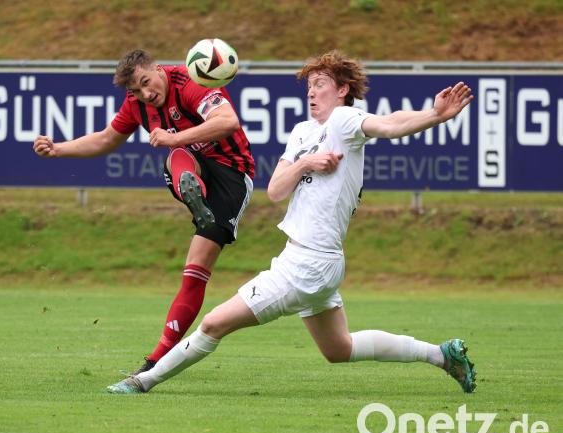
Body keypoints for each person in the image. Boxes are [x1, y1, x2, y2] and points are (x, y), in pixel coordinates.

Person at [107, 49, 477, 395]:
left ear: (343, 90)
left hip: (308, 264)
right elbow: (276, 190)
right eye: (308, 86)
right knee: (338, 348)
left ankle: (141, 382)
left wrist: (435, 115)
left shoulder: (346, 121)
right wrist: (305, 163)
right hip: (312, 260)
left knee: (214, 324)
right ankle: (442, 355)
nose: (311, 93)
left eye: (320, 85)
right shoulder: (303, 132)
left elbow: (390, 123)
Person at [33, 49, 255, 375]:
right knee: (176, 157)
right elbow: (107, 138)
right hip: (192, 169)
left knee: (195, 268)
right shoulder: (136, 104)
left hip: (232, 175)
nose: (145, 94)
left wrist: (174, 136)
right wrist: (58, 149)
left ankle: (198, 197)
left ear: (157, 68)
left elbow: (227, 121)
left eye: (146, 83)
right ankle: (155, 362)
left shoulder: (190, 81)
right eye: (136, 90)